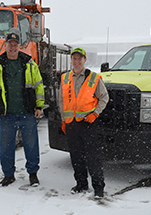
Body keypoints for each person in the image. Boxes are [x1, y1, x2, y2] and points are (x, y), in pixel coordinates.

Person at [0, 28, 45, 187]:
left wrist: (39, 106)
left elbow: (39, 86)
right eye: (10, 44)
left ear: (19, 46)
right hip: (6, 115)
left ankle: (33, 174)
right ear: (5, 45)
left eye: (15, 44)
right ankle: (8, 175)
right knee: (6, 147)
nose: (12, 47)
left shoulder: (29, 64)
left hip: (27, 113)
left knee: (31, 146)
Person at [58, 47, 109, 199]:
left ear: (85, 60)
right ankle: (81, 184)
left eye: (80, 58)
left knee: (93, 157)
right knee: (76, 156)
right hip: (71, 124)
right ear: (71, 60)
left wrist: (95, 113)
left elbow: (104, 98)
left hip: (88, 123)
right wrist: (63, 120)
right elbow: (61, 100)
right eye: (74, 58)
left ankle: (98, 188)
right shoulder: (65, 78)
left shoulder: (94, 78)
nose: (77, 61)